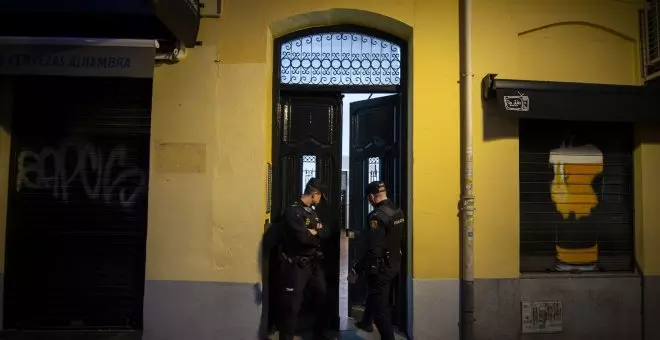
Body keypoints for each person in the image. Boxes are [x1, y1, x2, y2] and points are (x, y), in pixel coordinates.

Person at [349, 181, 405, 340]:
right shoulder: (397, 211)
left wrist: (357, 269)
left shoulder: (377, 216)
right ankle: (366, 322)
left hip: (380, 268)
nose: (369, 201)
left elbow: (374, 249)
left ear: (372, 196)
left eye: (369, 199)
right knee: (375, 296)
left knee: (381, 310)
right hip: (394, 263)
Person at [278, 177, 332, 340]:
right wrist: (313, 233)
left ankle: (318, 333)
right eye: (320, 196)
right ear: (314, 194)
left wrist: (314, 232)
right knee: (291, 305)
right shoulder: (293, 211)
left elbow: (325, 232)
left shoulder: (311, 212)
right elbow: (303, 239)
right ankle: (286, 336)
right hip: (297, 264)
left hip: (313, 264)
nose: (320, 200)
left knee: (321, 296)